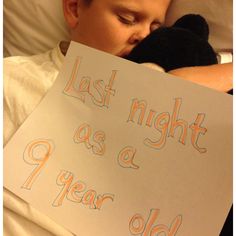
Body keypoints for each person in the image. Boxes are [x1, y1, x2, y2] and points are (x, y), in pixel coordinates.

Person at [3, 0, 232, 235]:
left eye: (155, 28)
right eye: (127, 19)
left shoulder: (157, 89)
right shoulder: (14, 78)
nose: (143, 36)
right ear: (74, 9)